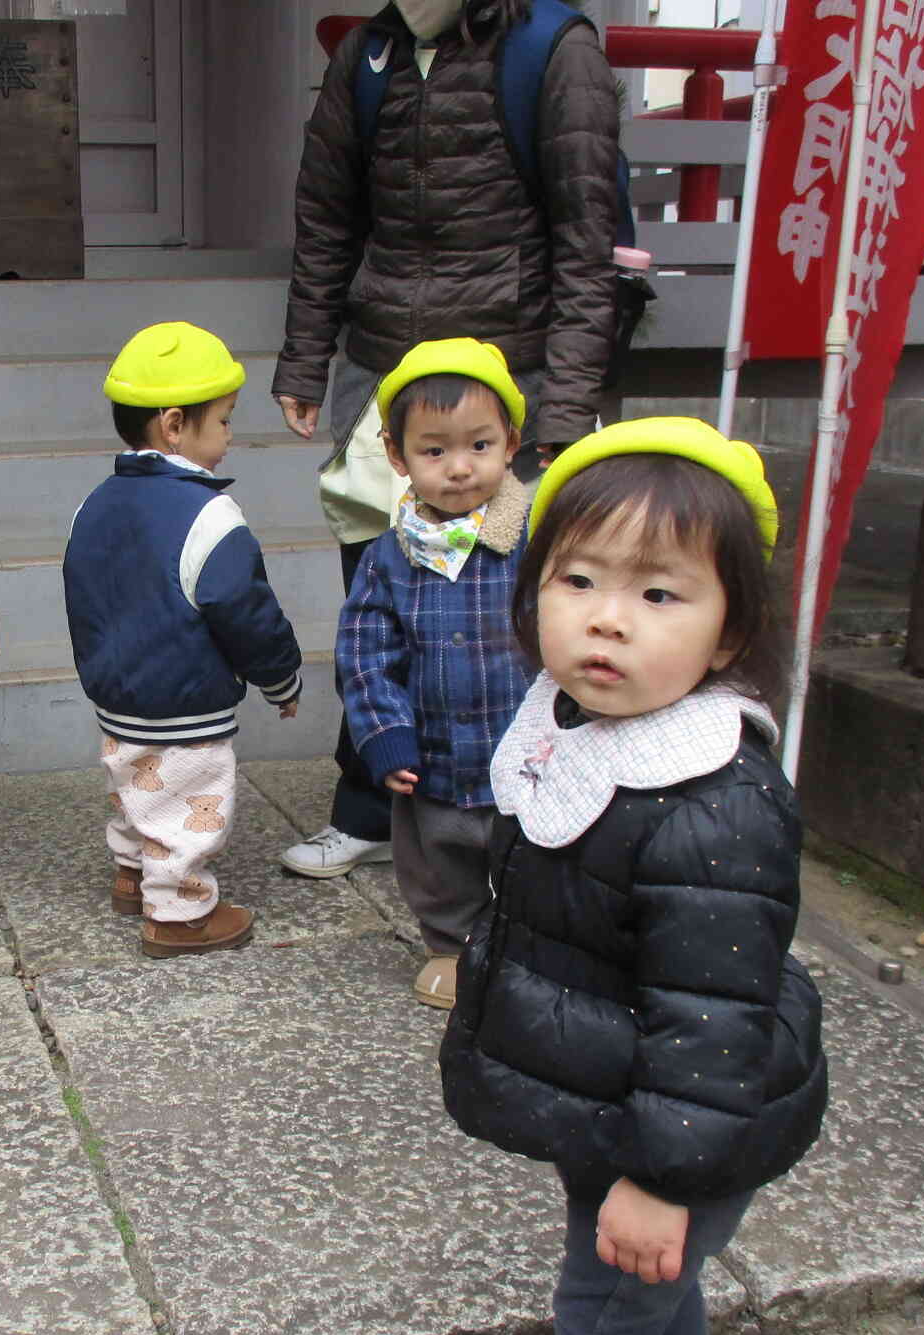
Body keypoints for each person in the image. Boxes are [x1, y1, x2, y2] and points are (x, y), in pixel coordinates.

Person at [437, 418, 828, 1335]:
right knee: (652, 1281)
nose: (606, 616)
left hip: (683, 1121)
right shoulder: (576, 725)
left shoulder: (710, 801)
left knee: (601, 1321)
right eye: (578, 578)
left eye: (660, 595)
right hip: (620, 1095)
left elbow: (710, 1025)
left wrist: (663, 1179)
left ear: (728, 633)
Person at [270, 0, 620, 880]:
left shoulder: (553, 48)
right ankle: (371, 802)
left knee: (512, 609)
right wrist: (305, 360)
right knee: (379, 601)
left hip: (510, 386)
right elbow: (326, 218)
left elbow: (588, 242)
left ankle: (534, 808)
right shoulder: (369, 53)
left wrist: (566, 411)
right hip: (388, 375)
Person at [64, 322, 304, 960]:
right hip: (185, 698)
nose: (229, 436)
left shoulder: (92, 504)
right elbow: (247, 611)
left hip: (116, 692)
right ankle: (180, 914)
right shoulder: (210, 514)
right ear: (174, 425)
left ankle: (129, 874)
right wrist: (281, 679)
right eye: (223, 421)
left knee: (134, 786)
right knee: (190, 804)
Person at [336, 339, 535, 1011]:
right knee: (436, 860)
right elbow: (364, 653)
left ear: (511, 442)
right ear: (397, 456)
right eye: (434, 450)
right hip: (435, 755)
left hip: (530, 749)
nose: (459, 469)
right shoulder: (387, 556)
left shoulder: (539, 538)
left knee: (536, 857)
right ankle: (451, 946)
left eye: (479, 446)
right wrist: (384, 736)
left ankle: (533, 946)